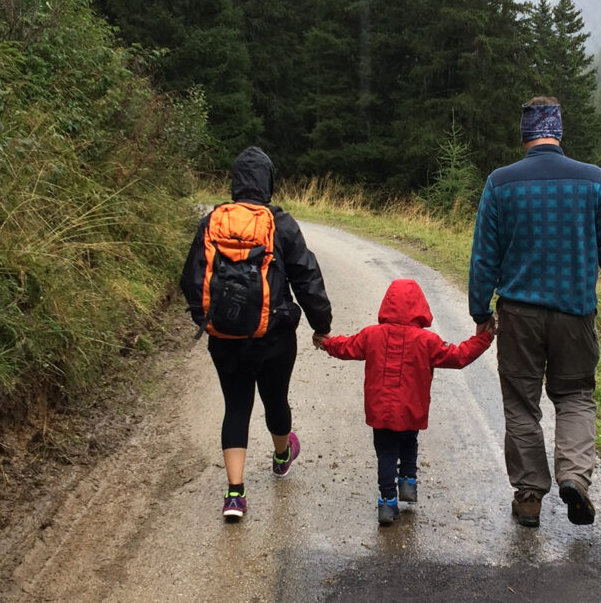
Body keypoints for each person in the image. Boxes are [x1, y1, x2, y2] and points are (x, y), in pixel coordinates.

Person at [468, 96, 601, 528]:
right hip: (575, 313)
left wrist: (480, 310)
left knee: (522, 404)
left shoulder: (500, 184)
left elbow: (484, 257)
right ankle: (574, 477)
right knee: (575, 395)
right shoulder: (594, 180)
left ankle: (529, 498)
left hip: (519, 316)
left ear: (524, 134)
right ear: (558, 131)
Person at [180, 146, 332, 520]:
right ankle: (282, 455)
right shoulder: (281, 223)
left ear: (235, 182)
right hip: (274, 336)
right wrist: (321, 325)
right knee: (275, 400)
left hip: (224, 337)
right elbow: (306, 276)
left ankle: (235, 494)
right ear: (268, 182)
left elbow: (191, 279)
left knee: (236, 406)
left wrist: (209, 320)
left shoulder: (212, 221)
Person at [317, 278, 493, 526]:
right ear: (420, 306)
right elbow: (458, 356)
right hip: (412, 408)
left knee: (386, 452)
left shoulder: (371, 335)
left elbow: (347, 346)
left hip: (380, 410)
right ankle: (408, 482)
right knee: (410, 440)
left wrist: (326, 342)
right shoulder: (427, 341)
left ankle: (387, 501)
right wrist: (484, 339)